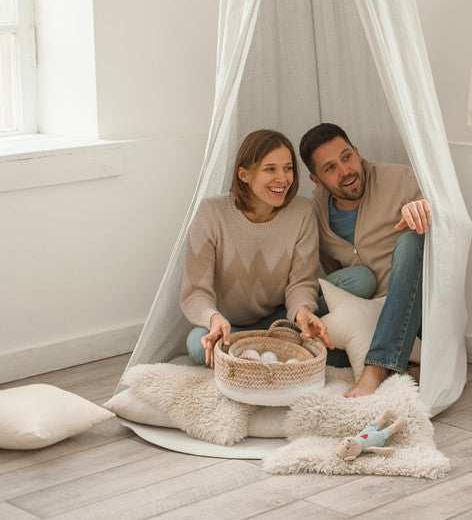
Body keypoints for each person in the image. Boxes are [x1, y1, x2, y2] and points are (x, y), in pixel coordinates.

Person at [299, 123, 431, 397]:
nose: (345, 171)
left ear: (357, 152)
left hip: (411, 312)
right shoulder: (316, 211)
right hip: (361, 318)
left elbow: (450, 227)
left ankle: (377, 370)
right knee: (316, 336)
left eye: (347, 157)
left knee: (411, 240)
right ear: (317, 180)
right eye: (330, 168)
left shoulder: (402, 180)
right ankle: (405, 370)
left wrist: (425, 208)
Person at [180, 129, 333, 367]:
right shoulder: (211, 213)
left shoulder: (302, 211)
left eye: (288, 168)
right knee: (196, 344)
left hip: (282, 319)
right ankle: (288, 350)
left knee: (358, 280)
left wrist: (302, 311)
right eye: (270, 169)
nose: (282, 179)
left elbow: (302, 282)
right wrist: (213, 318)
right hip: (231, 326)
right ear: (244, 174)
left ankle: (271, 347)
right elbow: (195, 292)